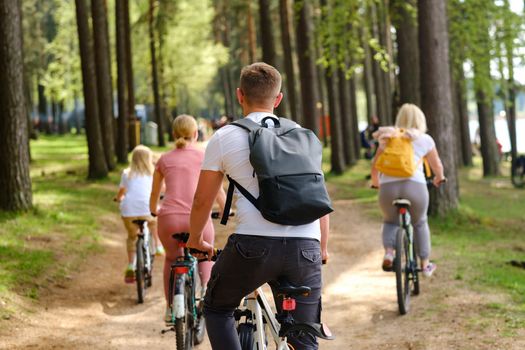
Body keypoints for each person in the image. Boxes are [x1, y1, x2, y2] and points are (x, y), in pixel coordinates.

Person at [187, 62, 330, 350]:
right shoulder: (301, 135)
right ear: (278, 99)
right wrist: (322, 247)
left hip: (252, 247)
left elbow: (202, 199)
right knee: (304, 336)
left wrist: (195, 238)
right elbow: (318, 197)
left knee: (217, 308)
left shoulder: (225, 137)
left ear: (240, 95)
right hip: (306, 247)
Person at [149, 114, 223, 323]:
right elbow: (216, 190)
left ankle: (170, 308)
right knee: (205, 254)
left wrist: (153, 210)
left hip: (169, 220)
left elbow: (155, 194)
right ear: (195, 133)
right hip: (197, 220)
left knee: (171, 260)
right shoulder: (204, 156)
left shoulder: (164, 159)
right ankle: (206, 291)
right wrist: (226, 210)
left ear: (173, 135)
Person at [371, 103, 446, 277]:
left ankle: (389, 253)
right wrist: (439, 177)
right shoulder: (425, 139)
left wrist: (376, 183)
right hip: (416, 187)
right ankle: (425, 263)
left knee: (390, 221)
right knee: (419, 222)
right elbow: (437, 165)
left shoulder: (388, 137)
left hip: (388, 189)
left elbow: (375, 166)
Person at [114, 145, 158, 284]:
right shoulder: (152, 173)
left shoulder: (127, 173)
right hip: (147, 209)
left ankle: (131, 265)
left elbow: (121, 192)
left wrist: (118, 199)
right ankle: (158, 245)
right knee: (153, 222)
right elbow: (158, 190)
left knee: (132, 237)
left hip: (129, 210)